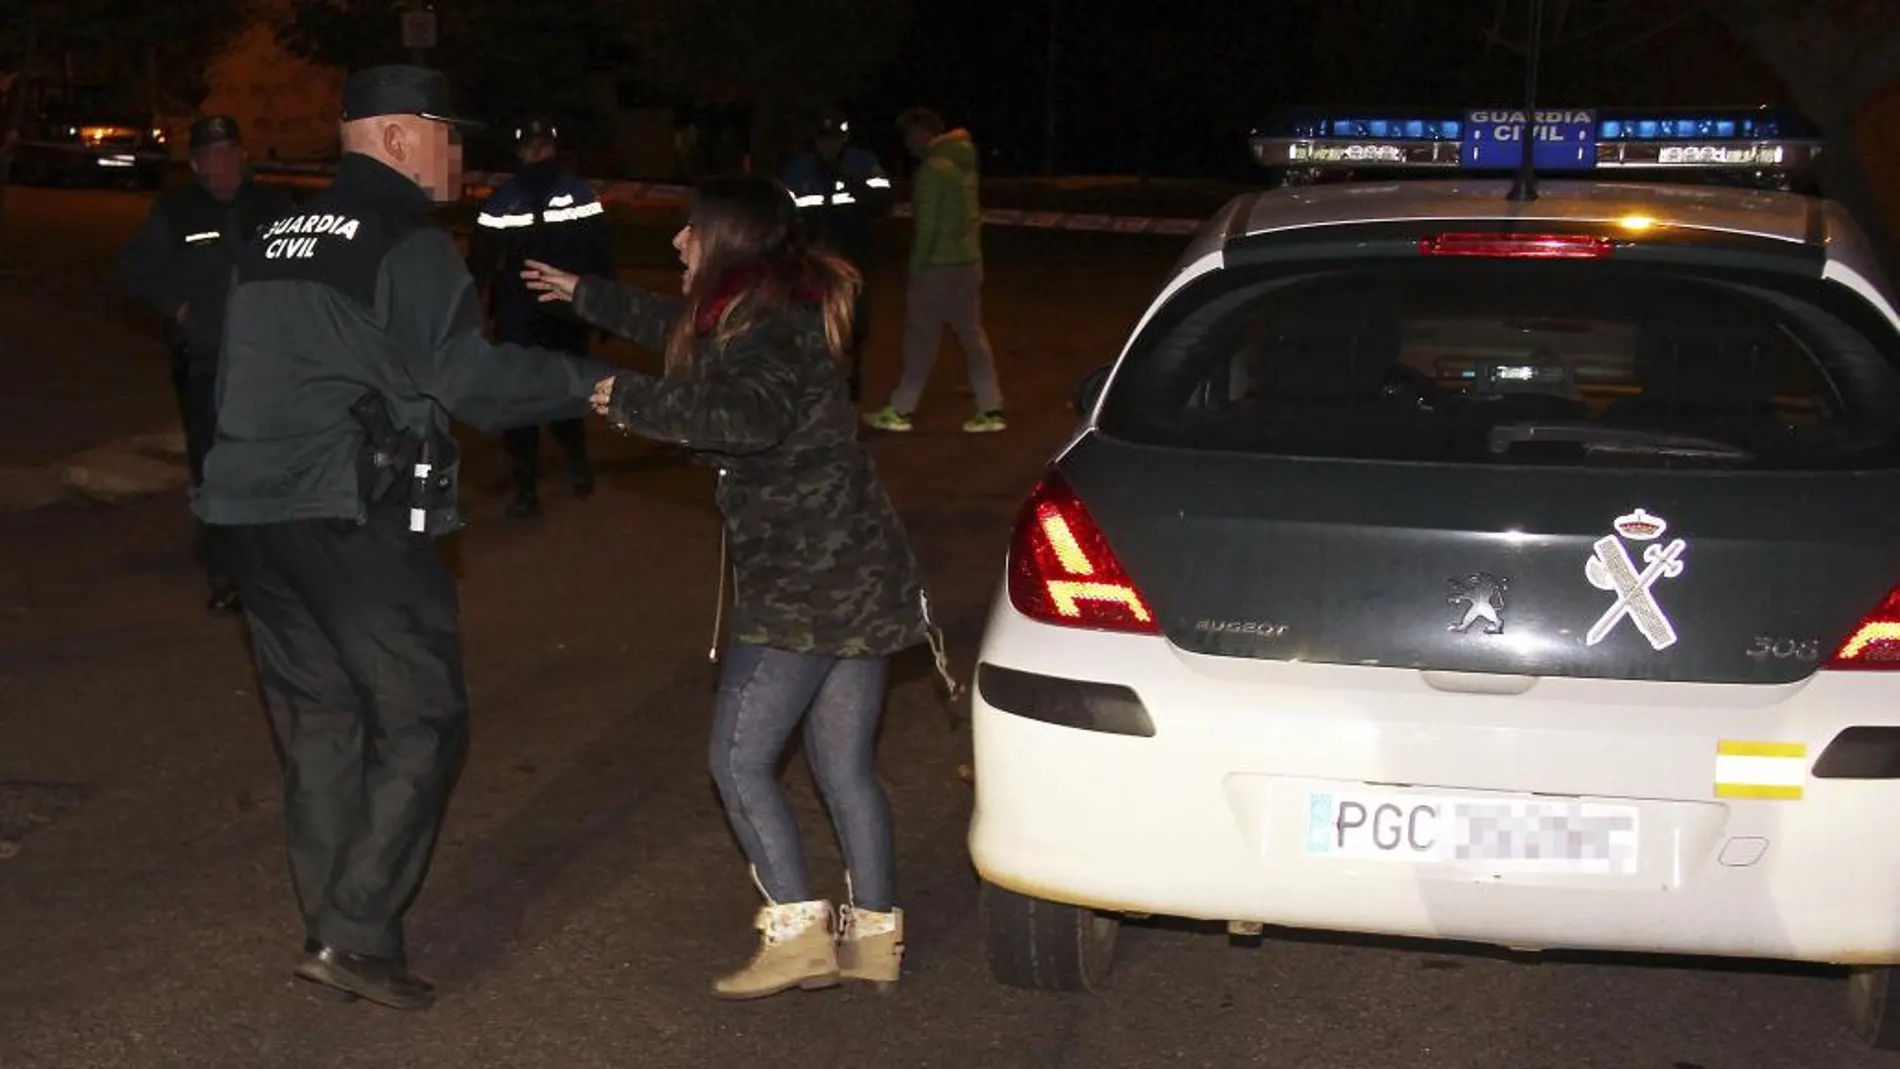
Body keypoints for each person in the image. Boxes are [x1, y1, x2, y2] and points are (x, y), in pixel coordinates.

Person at [195, 64, 619, 1010]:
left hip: (250, 517)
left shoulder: (267, 236)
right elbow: (468, 380)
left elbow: (219, 371)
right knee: (423, 718)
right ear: (394, 137)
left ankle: (338, 928)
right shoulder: (406, 242)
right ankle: (351, 935)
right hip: (352, 517)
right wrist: (591, 385)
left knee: (321, 726)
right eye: (446, 132)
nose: (461, 153)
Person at [521, 172, 956, 1000]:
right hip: (859, 572)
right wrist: (588, 296)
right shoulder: (764, 315)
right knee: (842, 765)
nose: (677, 243)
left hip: (807, 583)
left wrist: (621, 397)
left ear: (724, 243)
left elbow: (747, 418)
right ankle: (874, 941)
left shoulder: (765, 334)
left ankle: (798, 935)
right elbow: (684, 332)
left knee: (737, 757)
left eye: (689, 231)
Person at [120, 115, 296, 611]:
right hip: (206, 362)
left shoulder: (274, 206)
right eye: (212, 155)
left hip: (271, 362)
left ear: (243, 155)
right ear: (196, 164)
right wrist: (178, 308)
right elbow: (135, 270)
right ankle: (226, 572)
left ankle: (276, 563)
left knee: (272, 463)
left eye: (231, 151)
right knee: (218, 467)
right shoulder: (176, 212)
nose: (224, 162)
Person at [468, 115, 616, 518]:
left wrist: (606, 310)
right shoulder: (501, 200)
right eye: (529, 146)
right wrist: (469, 314)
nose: (537, 152)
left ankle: (577, 463)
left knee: (568, 392)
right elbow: (479, 263)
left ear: (554, 148)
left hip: (566, 313)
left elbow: (600, 253)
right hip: (518, 316)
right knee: (519, 401)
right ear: (518, 151)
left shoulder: (579, 194)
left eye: (543, 145)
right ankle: (526, 488)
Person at [863, 108, 1004, 435]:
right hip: (968, 261)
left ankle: (901, 409)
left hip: (937, 266)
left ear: (923, 133)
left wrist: (916, 269)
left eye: (909, 136)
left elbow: (927, 228)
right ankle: (990, 406)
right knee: (971, 334)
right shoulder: (964, 162)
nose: (907, 143)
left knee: (920, 338)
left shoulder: (932, 170)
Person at [780, 109, 893, 402]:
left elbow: (883, 203)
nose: (828, 145)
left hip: (854, 254)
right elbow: (784, 214)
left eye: (835, 139)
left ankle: (851, 373)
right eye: (823, 139)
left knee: (854, 320)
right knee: (811, 321)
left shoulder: (863, 163)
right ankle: (814, 382)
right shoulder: (798, 169)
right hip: (812, 257)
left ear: (845, 138)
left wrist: (850, 185)